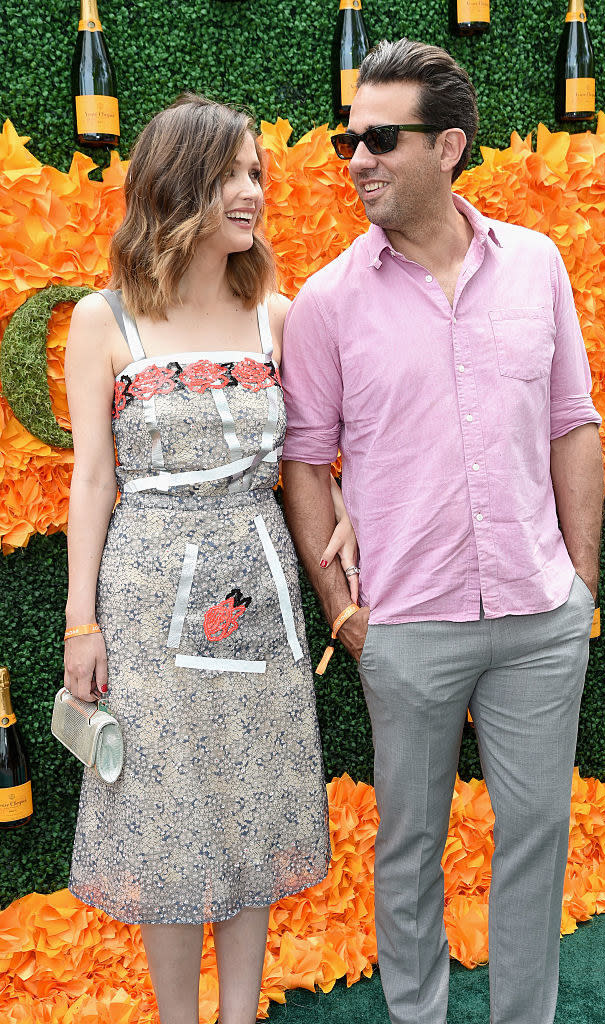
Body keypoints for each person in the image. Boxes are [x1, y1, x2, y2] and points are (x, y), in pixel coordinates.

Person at [281, 39, 603, 1024]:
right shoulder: (329, 301)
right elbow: (304, 461)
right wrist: (343, 613)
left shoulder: (537, 265)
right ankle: (416, 1014)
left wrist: (579, 584)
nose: (356, 159)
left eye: (380, 137)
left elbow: (571, 425)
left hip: (537, 616)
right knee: (410, 842)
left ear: (449, 145)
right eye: (348, 138)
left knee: (536, 835)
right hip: (403, 628)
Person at [63, 94, 354, 1024]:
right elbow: (93, 482)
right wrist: (81, 620)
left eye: (258, 172)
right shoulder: (103, 322)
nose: (253, 191)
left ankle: (239, 1013)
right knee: (168, 804)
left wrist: (347, 516)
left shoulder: (280, 314)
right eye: (232, 172)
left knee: (252, 787)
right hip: (146, 592)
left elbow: (314, 453)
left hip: (253, 585)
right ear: (179, 183)